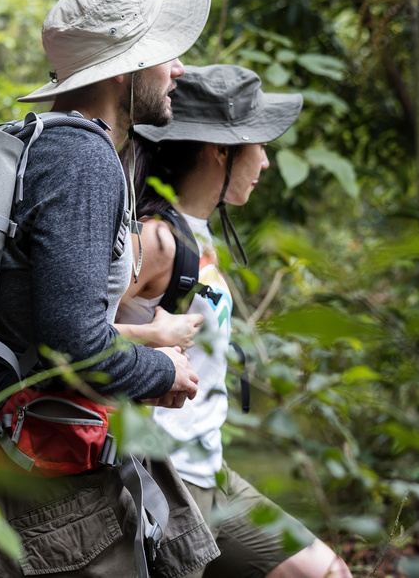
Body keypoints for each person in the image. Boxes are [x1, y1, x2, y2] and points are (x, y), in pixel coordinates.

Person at [0, 0, 222, 577]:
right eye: (164, 55)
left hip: (6, 469)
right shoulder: (83, 158)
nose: (178, 70)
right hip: (46, 505)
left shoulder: (43, 142)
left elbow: (45, 320)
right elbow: (74, 346)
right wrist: (163, 369)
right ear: (126, 69)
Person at [116, 64, 352, 577]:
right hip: (166, 483)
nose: (265, 161)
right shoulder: (156, 240)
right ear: (220, 150)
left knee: (328, 572)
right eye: (260, 144)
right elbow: (71, 334)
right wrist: (151, 336)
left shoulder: (195, 236)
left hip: (213, 472)